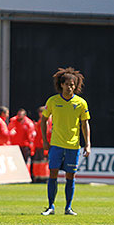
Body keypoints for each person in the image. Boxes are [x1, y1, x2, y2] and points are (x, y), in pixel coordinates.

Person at [40, 67, 91, 216]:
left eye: (72, 85)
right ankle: (51, 206)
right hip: (56, 144)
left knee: (70, 176)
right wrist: (45, 140)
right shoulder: (53, 101)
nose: (70, 87)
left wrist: (87, 144)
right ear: (61, 84)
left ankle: (68, 207)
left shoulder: (81, 103)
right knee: (53, 174)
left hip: (73, 146)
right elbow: (43, 120)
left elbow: (85, 124)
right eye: (67, 84)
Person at [32, 106, 52, 182]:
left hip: (42, 145)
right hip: (39, 144)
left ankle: (43, 178)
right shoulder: (44, 121)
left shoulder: (46, 121)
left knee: (43, 161)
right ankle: (39, 177)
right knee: (39, 161)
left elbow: (46, 133)